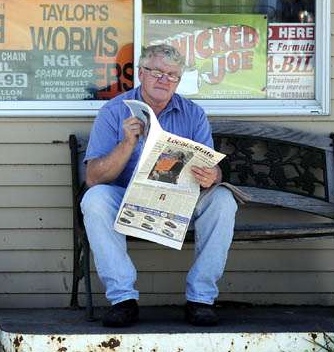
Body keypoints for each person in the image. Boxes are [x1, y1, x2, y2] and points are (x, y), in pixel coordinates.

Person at [80, 44, 237, 328]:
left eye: (173, 75)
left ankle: (201, 299)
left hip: (179, 199)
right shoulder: (114, 111)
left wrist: (211, 176)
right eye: (157, 72)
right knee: (94, 200)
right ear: (141, 73)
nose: (165, 80)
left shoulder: (193, 114)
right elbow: (93, 178)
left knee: (223, 200)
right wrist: (127, 143)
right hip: (128, 199)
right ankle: (123, 300)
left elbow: (211, 168)